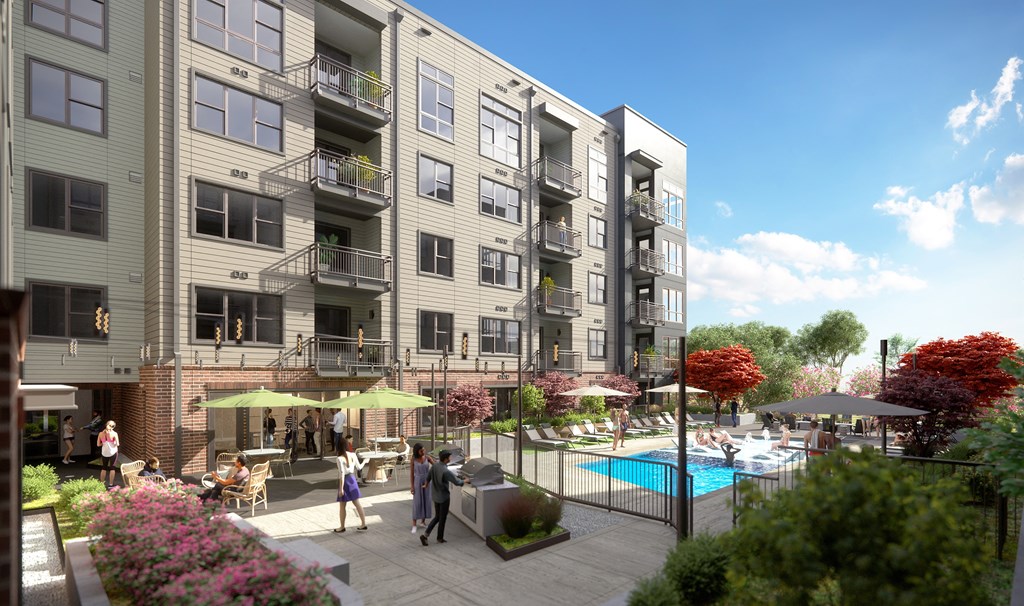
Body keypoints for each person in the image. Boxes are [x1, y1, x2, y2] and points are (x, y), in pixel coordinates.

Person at [420, 450, 467, 546]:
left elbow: (429, 475)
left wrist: (426, 484)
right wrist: (467, 480)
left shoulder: (435, 465)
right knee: (442, 518)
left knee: (437, 517)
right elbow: (457, 482)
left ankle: (425, 535)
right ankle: (439, 538)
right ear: (446, 459)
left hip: (435, 496)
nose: (451, 458)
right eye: (450, 457)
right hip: (444, 498)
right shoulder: (446, 471)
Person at [334, 437, 368, 533]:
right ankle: (363, 524)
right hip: (353, 479)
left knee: (342, 506)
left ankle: (342, 526)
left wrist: (341, 488)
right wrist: (365, 461)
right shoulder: (353, 455)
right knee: (357, 503)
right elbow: (359, 467)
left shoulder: (339, 458)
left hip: (345, 482)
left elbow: (341, 474)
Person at [409, 443, 433, 533]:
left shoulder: (428, 458)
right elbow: (411, 474)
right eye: (421, 450)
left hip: (427, 480)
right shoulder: (413, 460)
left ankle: (423, 522)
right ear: (417, 451)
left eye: (424, 450)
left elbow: (436, 466)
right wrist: (412, 486)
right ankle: (414, 524)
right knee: (417, 502)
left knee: (426, 500)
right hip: (417, 481)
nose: (423, 452)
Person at [97, 421, 120, 487]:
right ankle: (111, 484)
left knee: (104, 468)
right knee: (112, 468)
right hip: (113, 452)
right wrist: (113, 442)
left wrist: (104, 443)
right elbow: (117, 444)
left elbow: (98, 444)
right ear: (113, 427)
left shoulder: (100, 433)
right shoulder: (114, 434)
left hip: (104, 453)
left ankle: (101, 484)